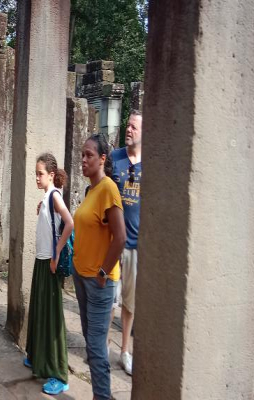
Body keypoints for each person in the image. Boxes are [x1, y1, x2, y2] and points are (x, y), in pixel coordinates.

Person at [72, 134, 126, 400]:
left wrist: (103, 272)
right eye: (82, 155)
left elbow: (121, 237)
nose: (83, 160)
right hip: (82, 277)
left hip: (99, 281)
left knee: (95, 347)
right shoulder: (91, 190)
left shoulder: (108, 189)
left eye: (89, 155)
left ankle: (102, 396)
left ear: (102, 159)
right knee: (91, 342)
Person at [24, 153, 74, 395]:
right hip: (41, 261)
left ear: (51, 175)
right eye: (36, 173)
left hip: (49, 263)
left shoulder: (54, 196)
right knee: (39, 311)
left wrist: (56, 253)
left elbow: (70, 222)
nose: (36, 177)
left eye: (40, 173)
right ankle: (36, 357)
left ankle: (60, 374)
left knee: (52, 319)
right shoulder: (47, 198)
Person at [110, 110, 142, 376]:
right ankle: (99, 346)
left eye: (133, 126)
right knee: (108, 299)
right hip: (112, 243)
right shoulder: (115, 158)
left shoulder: (150, 164)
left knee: (129, 304)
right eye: (127, 125)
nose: (128, 129)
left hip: (136, 246)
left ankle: (124, 351)